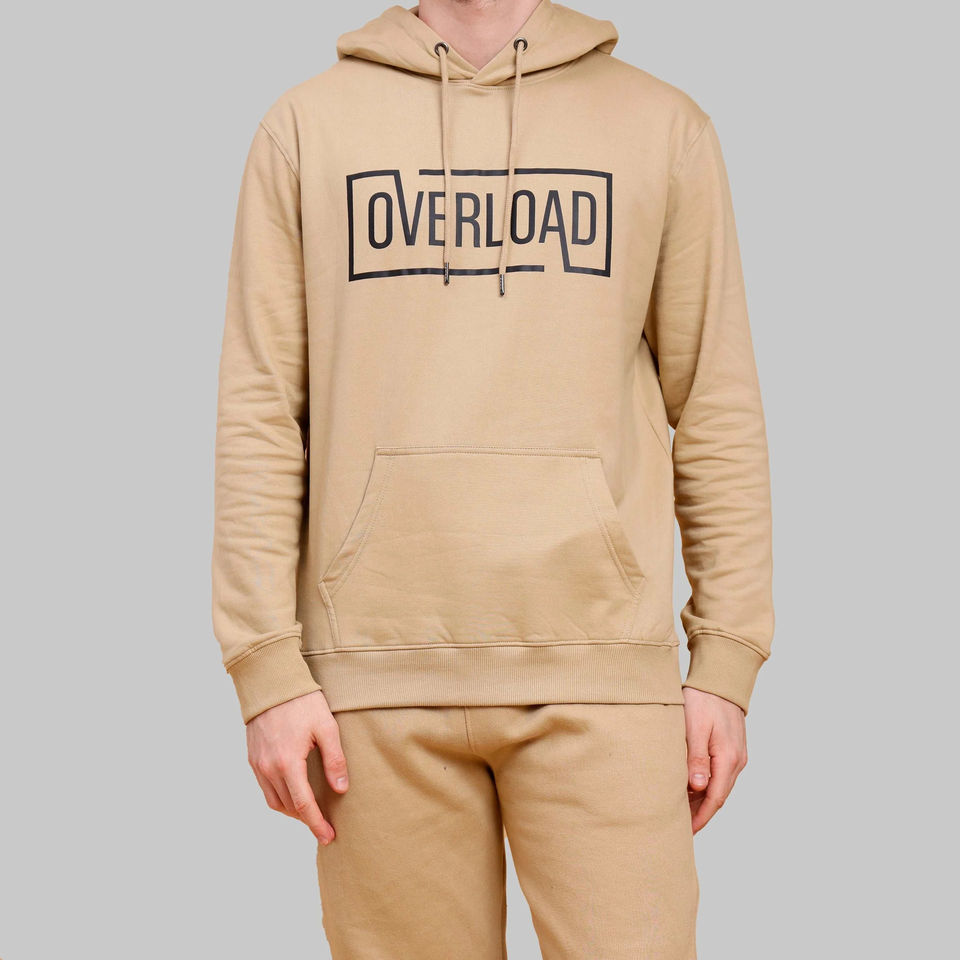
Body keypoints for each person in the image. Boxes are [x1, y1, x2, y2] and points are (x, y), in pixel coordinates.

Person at [212, 0, 774, 956]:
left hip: (601, 666)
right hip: (372, 683)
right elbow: (261, 412)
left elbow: (716, 406)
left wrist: (727, 658)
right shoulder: (306, 127)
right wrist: (265, 668)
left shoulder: (661, 126)